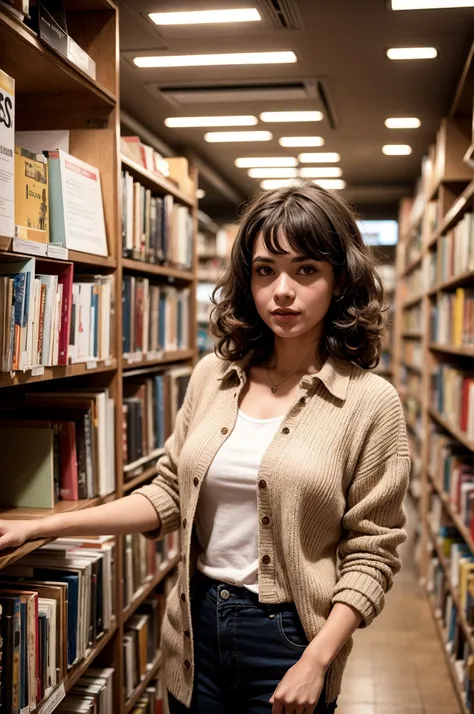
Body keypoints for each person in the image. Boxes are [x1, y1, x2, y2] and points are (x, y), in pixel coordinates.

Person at [0, 182, 410, 714]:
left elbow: (372, 554)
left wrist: (318, 659)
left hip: (292, 638)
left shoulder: (370, 402)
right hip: (193, 630)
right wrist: (40, 527)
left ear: (340, 280)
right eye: (266, 270)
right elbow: (168, 495)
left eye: (306, 269)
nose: (282, 290)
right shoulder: (213, 377)